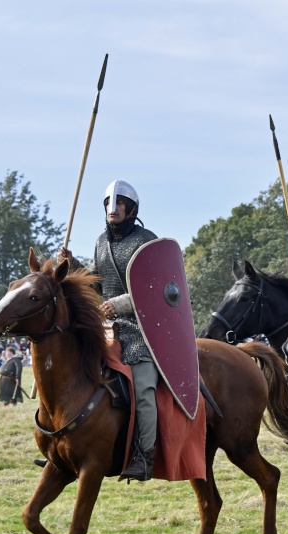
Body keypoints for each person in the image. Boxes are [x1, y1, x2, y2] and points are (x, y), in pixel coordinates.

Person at [60, 179, 160, 481]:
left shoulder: (147, 240)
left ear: (131, 209)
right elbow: (98, 283)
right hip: (107, 329)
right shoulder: (101, 241)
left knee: (143, 390)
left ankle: (145, 455)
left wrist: (119, 304)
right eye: (108, 203)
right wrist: (72, 264)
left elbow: (154, 288)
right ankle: (62, 448)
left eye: (118, 203)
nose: (112, 208)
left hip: (142, 330)